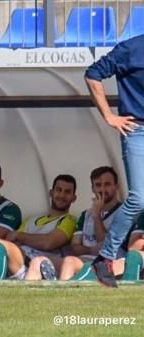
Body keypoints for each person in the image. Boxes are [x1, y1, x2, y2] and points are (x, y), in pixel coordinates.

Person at [85, 34, 144, 287]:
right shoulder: (131, 48)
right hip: (136, 130)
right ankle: (105, 258)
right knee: (139, 197)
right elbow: (93, 74)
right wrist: (109, 116)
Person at [0, 175, 77, 280]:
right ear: (51, 193)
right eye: (59, 190)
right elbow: (11, 239)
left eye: (67, 192)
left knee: (0, 245)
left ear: (74, 198)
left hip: (42, 266)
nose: (62, 195)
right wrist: (21, 238)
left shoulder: (71, 220)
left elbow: (48, 243)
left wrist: (20, 236)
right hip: (20, 260)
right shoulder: (31, 219)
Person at [58, 167, 125, 280]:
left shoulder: (125, 212)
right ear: (93, 188)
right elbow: (74, 247)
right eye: (98, 185)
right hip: (83, 260)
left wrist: (96, 215)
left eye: (107, 184)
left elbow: (104, 245)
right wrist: (90, 250)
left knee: (69, 262)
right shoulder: (86, 214)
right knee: (39, 261)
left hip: (110, 263)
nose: (102, 189)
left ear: (116, 186)